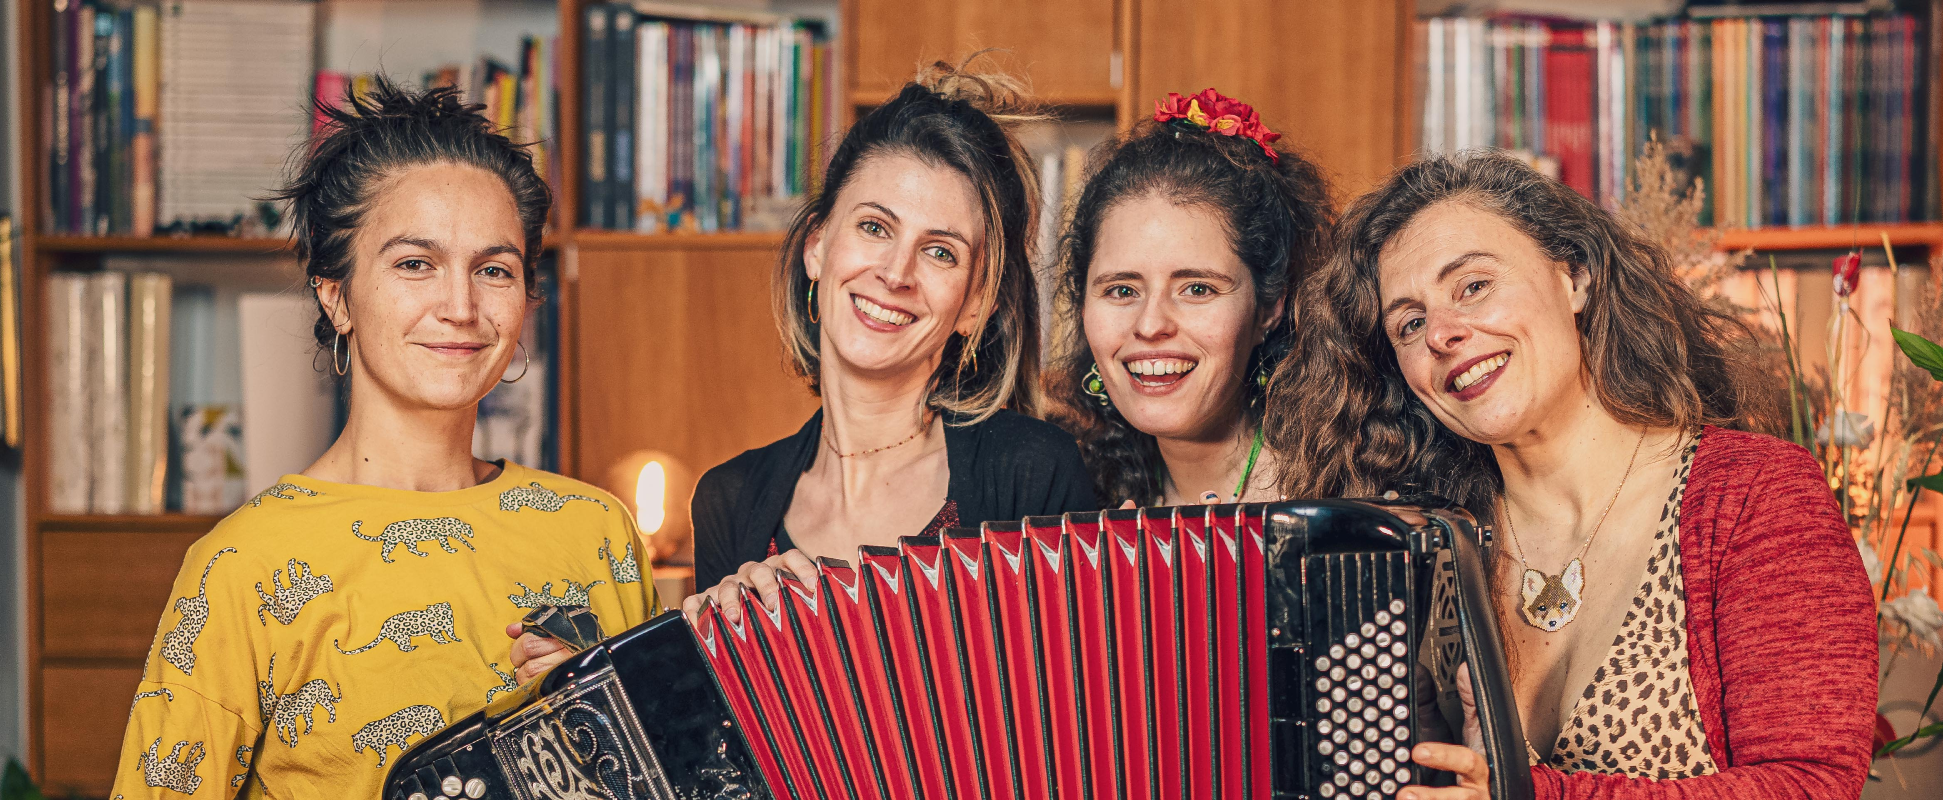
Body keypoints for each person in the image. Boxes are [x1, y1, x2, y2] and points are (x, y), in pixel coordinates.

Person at [107, 83, 657, 798]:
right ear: (335, 294)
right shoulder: (241, 569)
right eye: (414, 264)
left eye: (494, 270)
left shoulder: (598, 535)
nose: (460, 308)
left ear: (526, 300)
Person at [1269, 152, 1876, 799]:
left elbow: (1813, 785)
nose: (1444, 332)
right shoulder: (1430, 543)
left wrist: (1530, 795)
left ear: (1575, 277)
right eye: (1410, 324)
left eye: (1473, 285)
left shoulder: (1755, 496)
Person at [685, 59, 1101, 619]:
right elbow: (721, 712)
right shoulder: (727, 499)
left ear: (977, 304)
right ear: (817, 246)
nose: (896, 273)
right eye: (875, 227)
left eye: (940, 252)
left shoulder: (1032, 472)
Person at [1045, 89, 1331, 507]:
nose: (1149, 325)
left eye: (1197, 289)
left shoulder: (1338, 497)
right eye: (1122, 290)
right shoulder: (1072, 494)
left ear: (1270, 307)